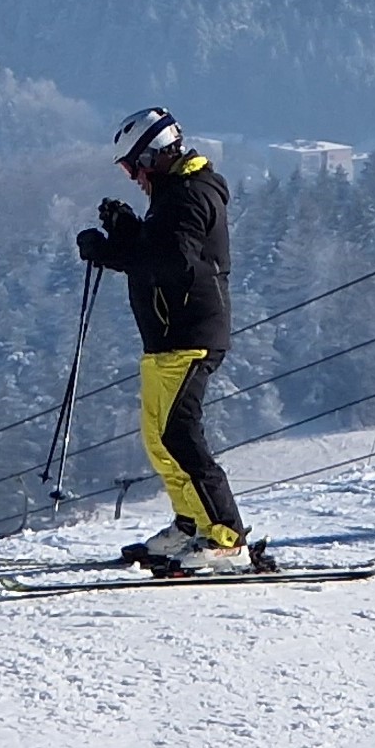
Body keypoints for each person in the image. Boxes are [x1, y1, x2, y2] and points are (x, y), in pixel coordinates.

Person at [76, 107, 249, 573]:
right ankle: (192, 524)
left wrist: (113, 250)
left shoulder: (191, 195)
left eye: (132, 166)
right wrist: (131, 230)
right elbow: (161, 248)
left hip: (191, 333)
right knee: (159, 439)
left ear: (153, 156)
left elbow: (172, 263)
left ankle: (226, 535)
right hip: (167, 337)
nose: (132, 177)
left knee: (180, 435)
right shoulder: (175, 194)